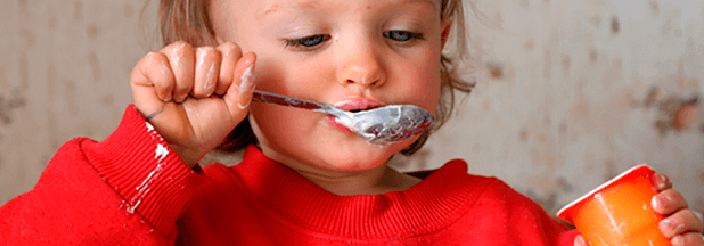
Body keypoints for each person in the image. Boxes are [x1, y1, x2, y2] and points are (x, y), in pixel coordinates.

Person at [1, 0, 703, 245]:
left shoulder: (506, 225)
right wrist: (150, 158)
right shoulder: (180, 222)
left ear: (443, 37)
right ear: (218, 59)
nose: (365, 67)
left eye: (402, 34)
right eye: (310, 39)